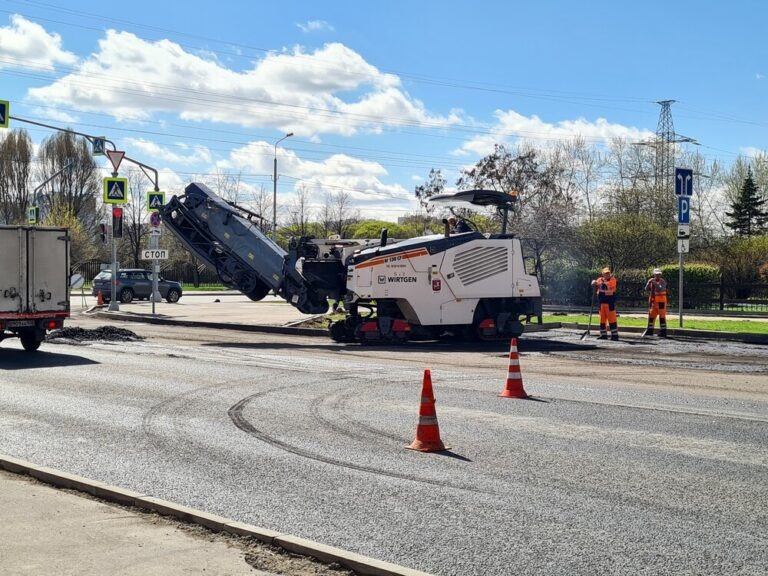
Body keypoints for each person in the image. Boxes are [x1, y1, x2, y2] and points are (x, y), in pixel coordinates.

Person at [591, 267, 618, 340]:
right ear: (603, 274)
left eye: (608, 273)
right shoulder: (600, 279)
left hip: (610, 303)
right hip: (601, 303)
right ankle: (603, 335)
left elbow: (606, 286)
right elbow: (593, 283)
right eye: (606, 273)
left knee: (612, 319)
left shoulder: (613, 280)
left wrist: (598, 283)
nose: (607, 274)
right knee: (602, 320)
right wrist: (593, 282)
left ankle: (614, 335)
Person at [644, 268, 668, 338]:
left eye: (659, 274)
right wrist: (648, 283)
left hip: (661, 302)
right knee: (651, 316)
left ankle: (663, 332)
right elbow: (646, 289)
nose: (658, 276)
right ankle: (650, 330)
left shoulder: (663, 281)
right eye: (656, 274)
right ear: (654, 274)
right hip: (653, 302)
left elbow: (660, 289)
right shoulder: (651, 281)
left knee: (662, 316)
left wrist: (654, 282)